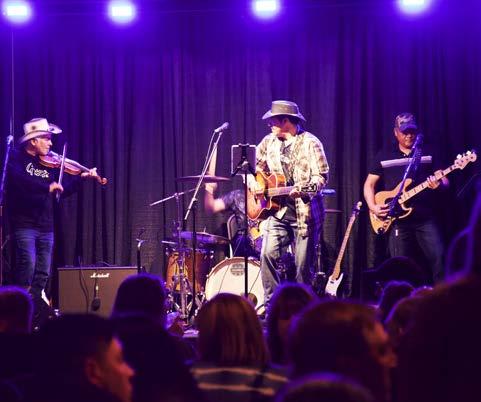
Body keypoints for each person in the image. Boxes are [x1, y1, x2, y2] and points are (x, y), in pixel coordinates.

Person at [5, 117, 99, 303]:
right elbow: (20, 183)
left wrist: (82, 178)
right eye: (46, 139)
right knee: (27, 266)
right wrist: (45, 188)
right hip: (24, 224)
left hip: (46, 226)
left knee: (43, 272)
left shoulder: (49, 163)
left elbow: (61, 191)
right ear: (34, 141)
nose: (50, 143)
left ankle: (33, 309)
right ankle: (18, 306)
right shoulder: (16, 158)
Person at [252, 100, 329, 305]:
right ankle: (272, 305)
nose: (269, 124)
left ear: (286, 121)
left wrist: (304, 190)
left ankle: (303, 309)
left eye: (273, 120)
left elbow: (321, 177)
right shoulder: (268, 142)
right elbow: (252, 167)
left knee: (302, 266)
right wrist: (253, 181)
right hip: (278, 212)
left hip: (305, 215)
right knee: (267, 255)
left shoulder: (311, 143)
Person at [363, 113, 448, 283]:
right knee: (400, 266)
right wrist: (373, 206)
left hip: (425, 218)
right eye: (404, 132)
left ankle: (441, 294)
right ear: (396, 132)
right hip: (397, 220)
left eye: (412, 131)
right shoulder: (384, 155)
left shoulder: (427, 153)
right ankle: (402, 297)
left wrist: (439, 185)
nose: (409, 135)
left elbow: (445, 180)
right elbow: (369, 184)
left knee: (440, 258)